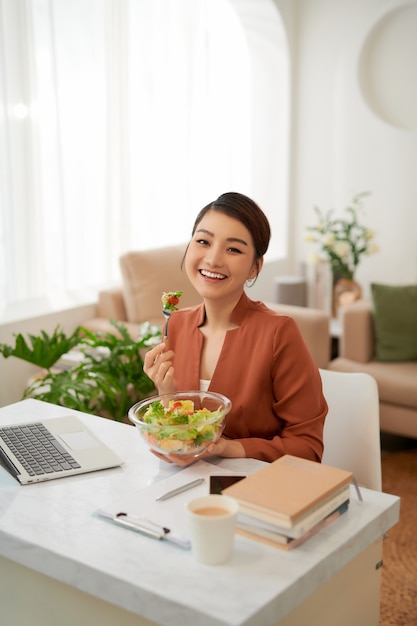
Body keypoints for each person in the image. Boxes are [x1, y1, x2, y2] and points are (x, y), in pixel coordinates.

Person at [144, 192, 327, 465]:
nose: (213, 259)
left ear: (255, 267)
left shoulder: (279, 333)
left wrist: (228, 448)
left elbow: (308, 446)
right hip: (186, 481)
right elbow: (184, 435)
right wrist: (167, 392)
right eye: (203, 241)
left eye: (234, 249)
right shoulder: (177, 324)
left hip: (256, 487)